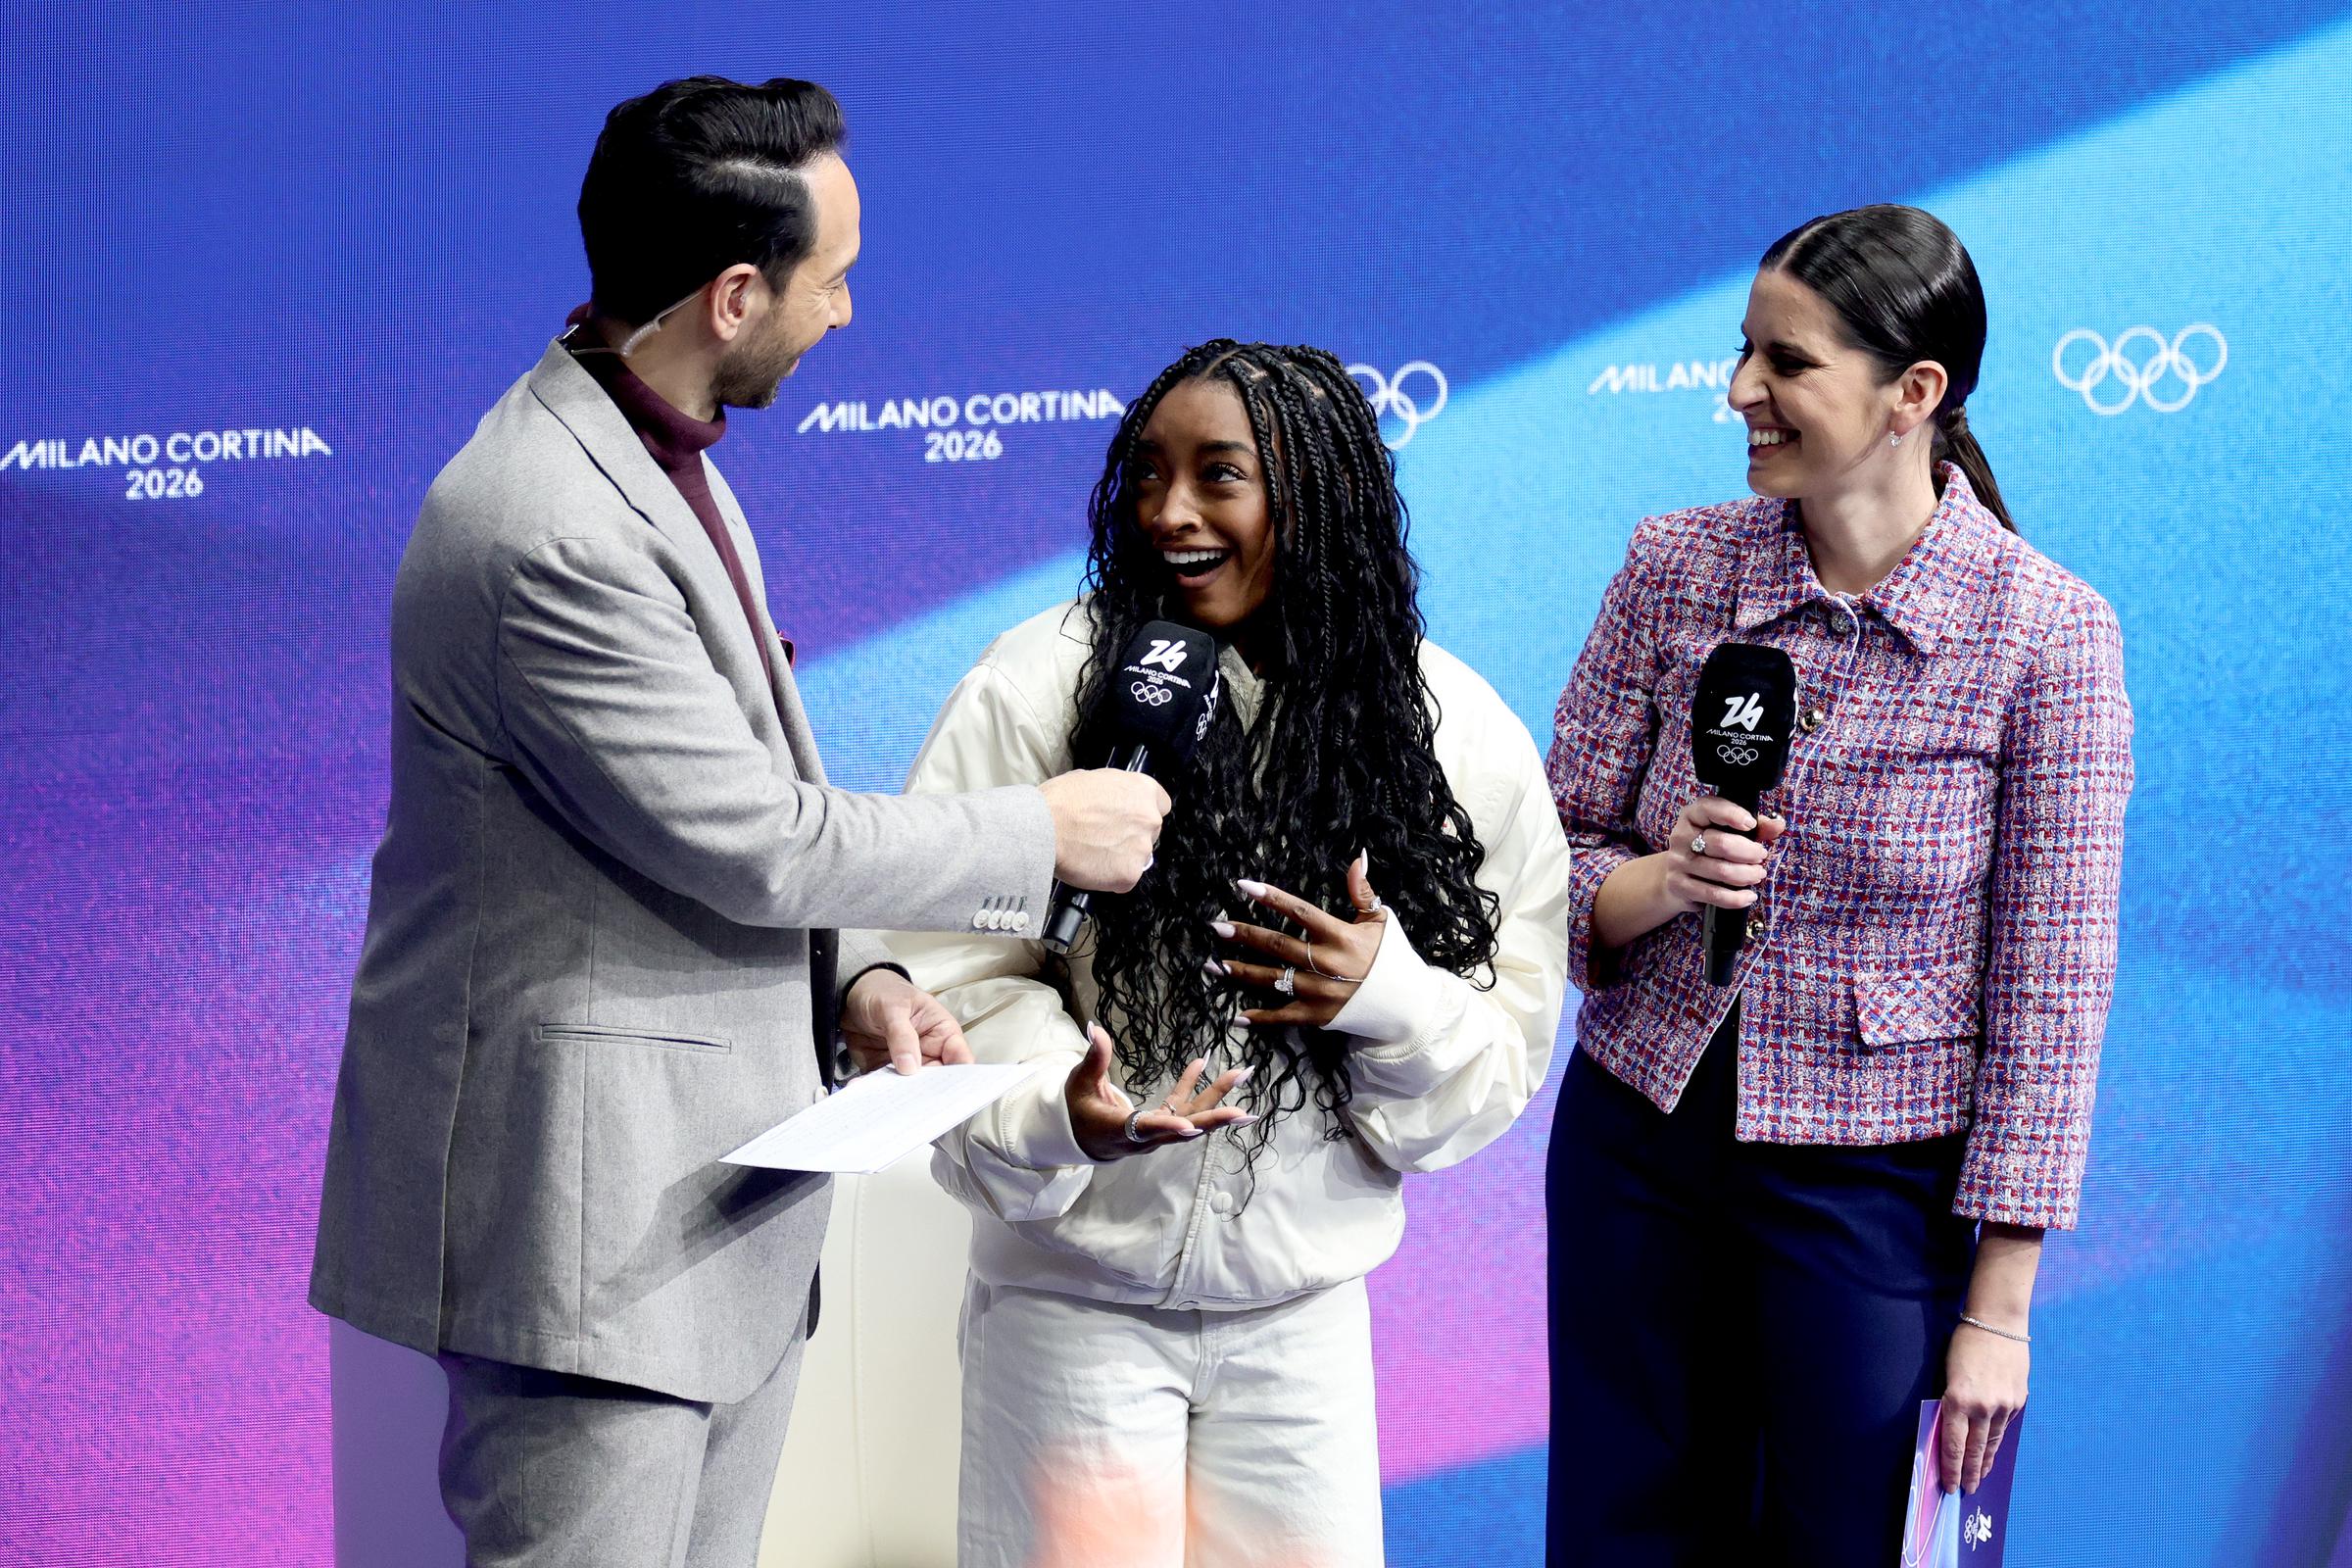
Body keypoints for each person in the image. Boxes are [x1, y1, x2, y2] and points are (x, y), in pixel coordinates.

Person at [306, 76, 1168, 1568]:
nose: (843, 316)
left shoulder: (652, 453)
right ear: (733, 294)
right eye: (830, 285)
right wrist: (1038, 834)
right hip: (586, 1248)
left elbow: (684, 820)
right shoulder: (550, 524)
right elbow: (754, 838)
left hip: (692, 1232)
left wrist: (857, 985)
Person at [891, 340, 1571, 1568]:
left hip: (1298, 1328)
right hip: (1071, 1315)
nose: (1171, 513)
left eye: (1220, 475)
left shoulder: (1453, 731)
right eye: (1149, 474)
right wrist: (1064, 1108)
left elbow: (1497, 1051)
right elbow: (949, 968)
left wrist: (1384, 999)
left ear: (1315, 501)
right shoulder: (1038, 684)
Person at [1543, 205, 2133, 1565]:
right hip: (1638, 1141)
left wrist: (1999, 1307)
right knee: (1621, 1536)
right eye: (1742, 352)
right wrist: (1658, 884)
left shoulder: (2048, 633)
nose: (1740, 391)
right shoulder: (1670, 565)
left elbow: (2048, 999)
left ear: (1913, 393)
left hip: (1875, 1187)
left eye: (1785, 363)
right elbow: (1551, 854)